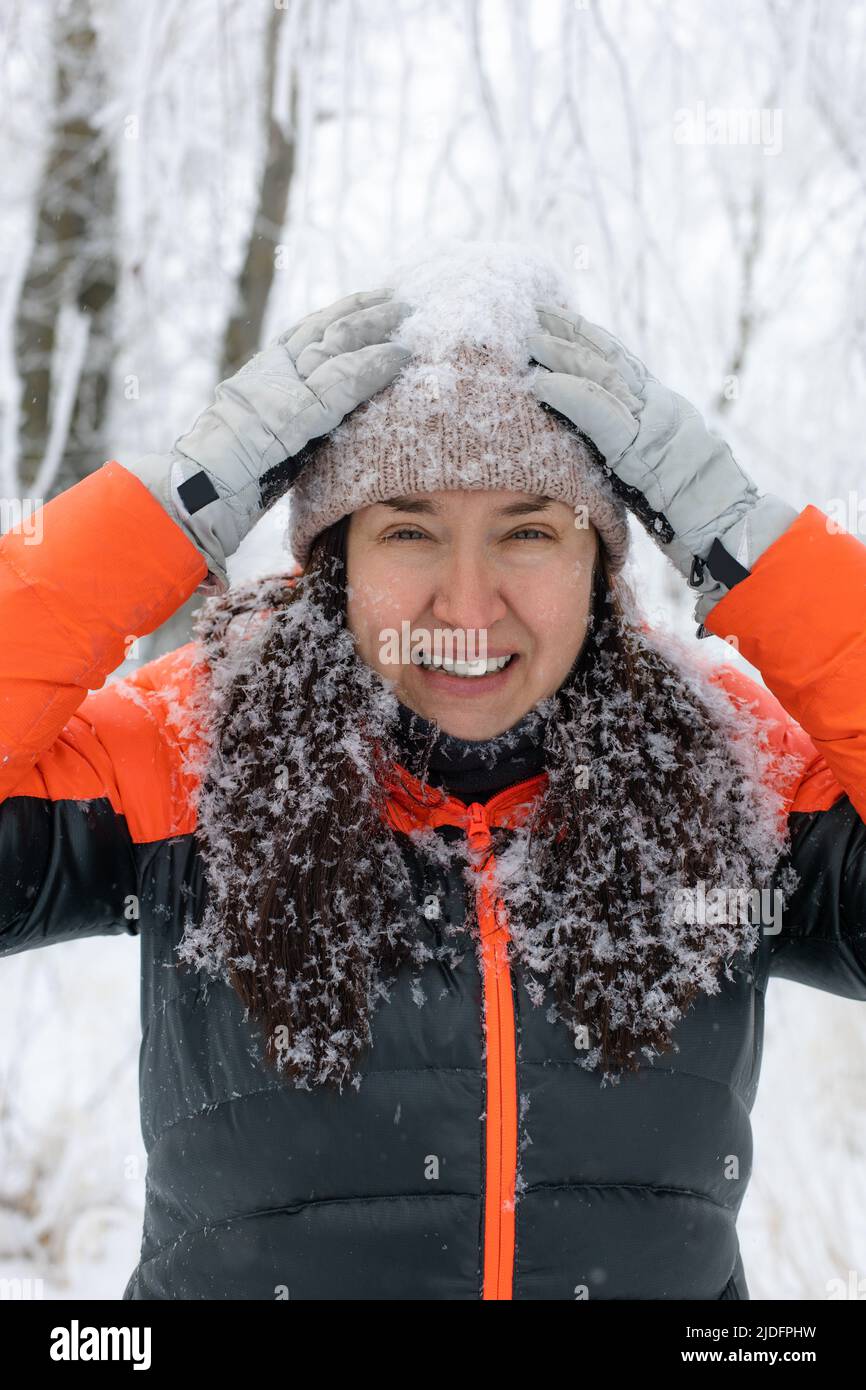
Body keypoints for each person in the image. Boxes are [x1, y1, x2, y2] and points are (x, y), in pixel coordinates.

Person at [1, 244, 864, 1302]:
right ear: (336, 562)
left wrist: (751, 544)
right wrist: (168, 508)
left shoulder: (727, 774)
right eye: (408, 529)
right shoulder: (192, 755)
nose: (465, 605)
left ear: (599, 564)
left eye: (529, 532)